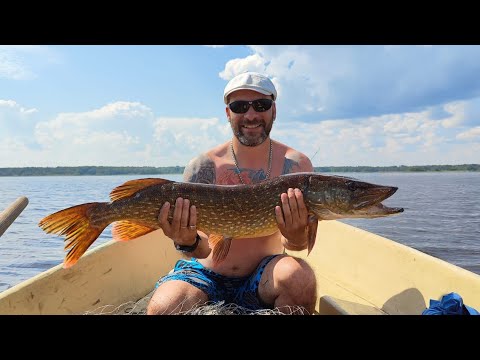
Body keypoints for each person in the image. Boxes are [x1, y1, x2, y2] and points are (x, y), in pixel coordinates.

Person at [146, 71, 317, 315]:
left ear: (274, 110)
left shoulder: (297, 166)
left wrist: (297, 234)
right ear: (228, 113)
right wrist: (187, 240)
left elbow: (295, 245)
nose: (251, 115)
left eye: (261, 105)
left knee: (300, 279)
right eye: (239, 106)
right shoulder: (202, 166)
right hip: (205, 273)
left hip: (264, 275)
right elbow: (201, 249)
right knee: (164, 308)